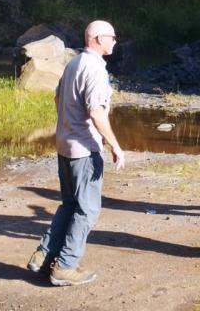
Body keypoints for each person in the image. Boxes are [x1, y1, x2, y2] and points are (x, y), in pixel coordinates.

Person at [26, 20, 126, 287]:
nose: (115, 41)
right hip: (84, 150)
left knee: (70, 204)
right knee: (88, 210)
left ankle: (44, 256)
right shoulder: (94, 68)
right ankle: (66, 266)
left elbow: (58, 98)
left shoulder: (73, 63)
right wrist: (114, 144)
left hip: (65, 145)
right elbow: (96, 111)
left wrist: (68, 125)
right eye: (112, 37)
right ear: (97, 39)